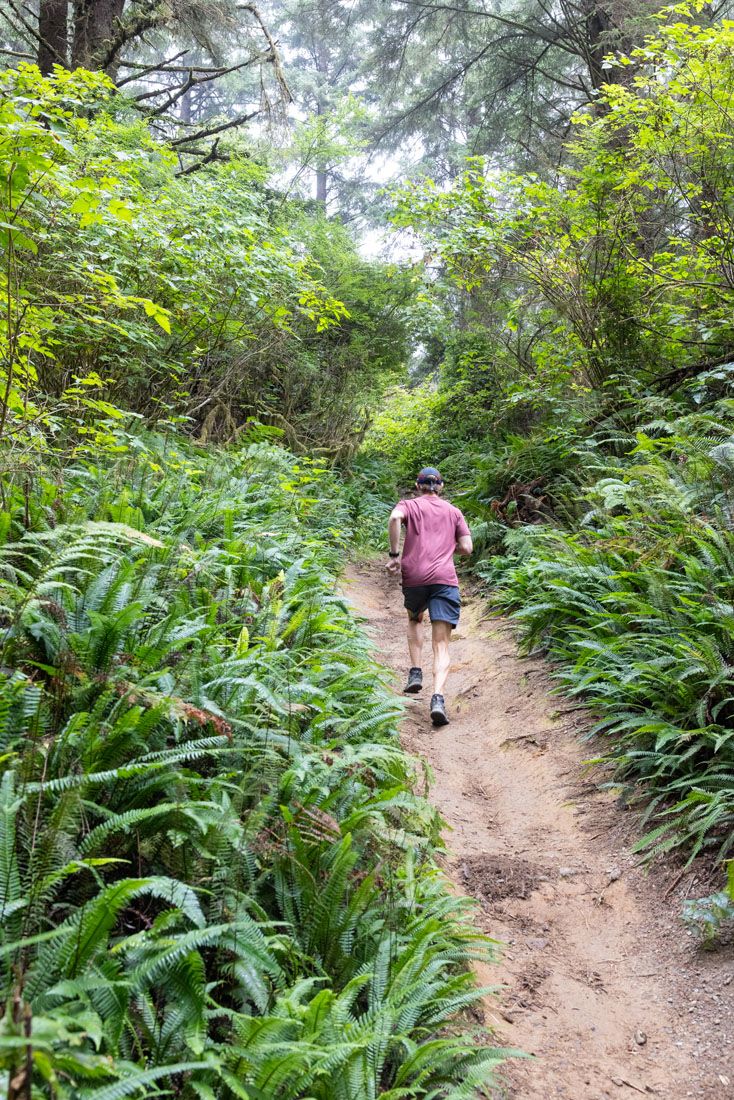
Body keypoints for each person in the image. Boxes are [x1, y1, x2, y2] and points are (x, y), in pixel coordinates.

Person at [385, 466, 473, 726]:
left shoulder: (408, 505)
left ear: (417, 485)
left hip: (414, 578)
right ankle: (437, 697)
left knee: (415, 619)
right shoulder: (454, 512)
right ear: (441, 487)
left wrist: (394, 555)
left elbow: (393, 519)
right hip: (444, 579)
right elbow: (467, 547)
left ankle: (415, 671)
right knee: (442, 642)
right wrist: (447, 549)